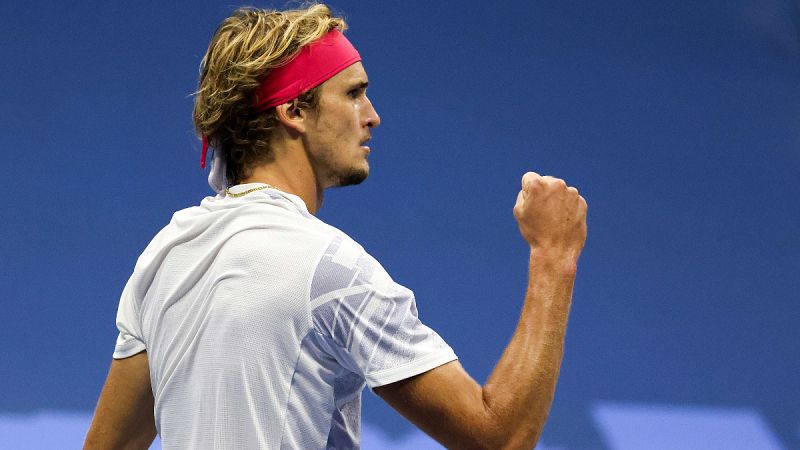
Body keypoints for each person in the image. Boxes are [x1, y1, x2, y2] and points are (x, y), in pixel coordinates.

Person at [84, 4, 587, 450]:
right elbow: (498, 438)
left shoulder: (166, 256)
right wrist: (553, 255)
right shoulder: (329, 269)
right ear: (293, 110)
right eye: (353, 94)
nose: (373, 117)